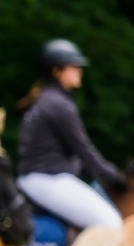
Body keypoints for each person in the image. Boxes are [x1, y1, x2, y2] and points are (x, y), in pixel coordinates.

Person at [15, 39, 125, 231]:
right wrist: (113, 175)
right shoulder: (59, 105)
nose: (79, 71)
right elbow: (83, 149)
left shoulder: (43, 98)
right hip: (50, 179)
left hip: (35, 179)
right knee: (112, 224)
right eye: (73, 67)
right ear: (56, 71)